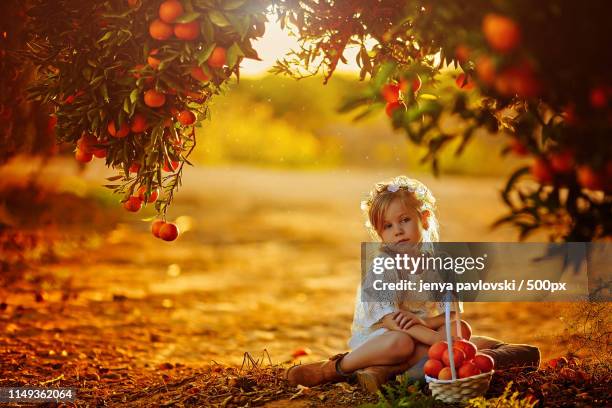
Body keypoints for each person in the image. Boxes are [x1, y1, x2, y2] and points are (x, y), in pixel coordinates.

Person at [285, 176, 540, 392]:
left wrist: (427, 324)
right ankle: (337, 368)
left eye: (404, 220)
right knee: (402, 343)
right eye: (387, 226)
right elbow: (390, 320)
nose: (397, 230)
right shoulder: (383, 267)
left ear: (424, 219)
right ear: (379, 233)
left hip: (421, 337)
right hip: (383, 339)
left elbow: (451, 312)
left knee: (462, 329)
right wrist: (433, 337)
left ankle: (382, 372)